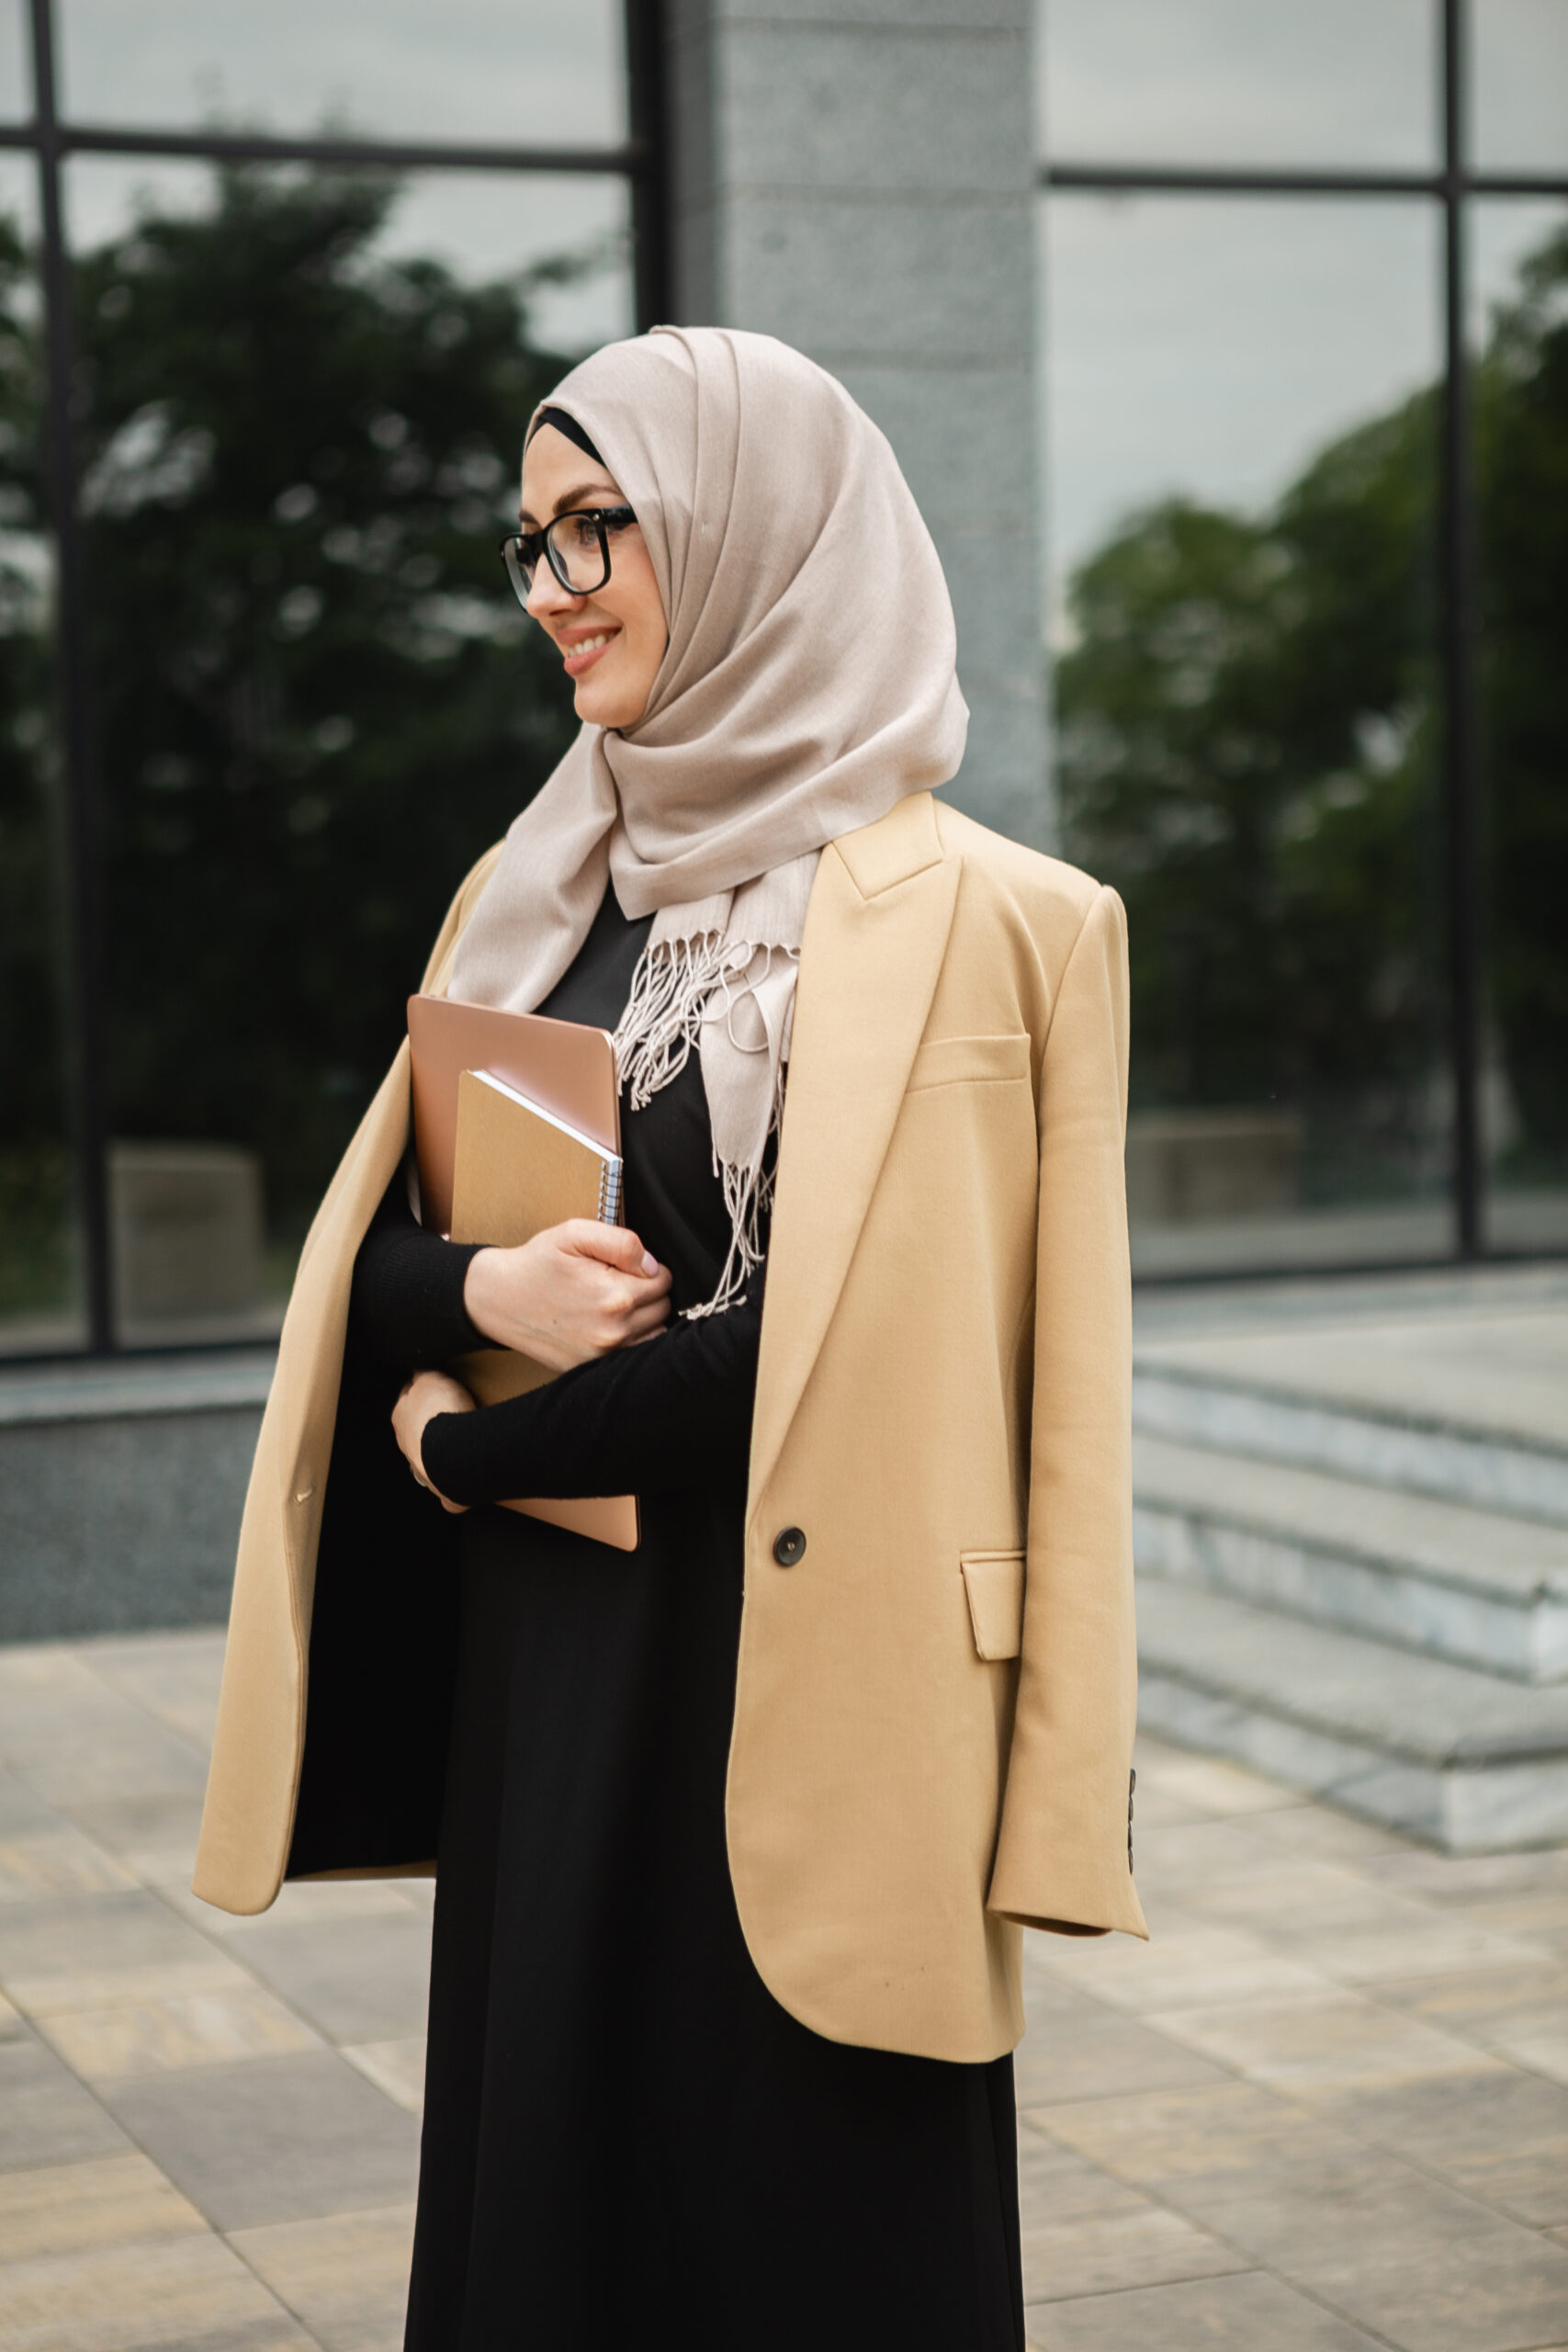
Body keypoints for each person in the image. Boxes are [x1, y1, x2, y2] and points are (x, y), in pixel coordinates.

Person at [194, 326, 1147, 2350]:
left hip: (845, 1681)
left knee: (820, 2232)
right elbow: (363, 1262)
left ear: (751, 525)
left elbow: (958, 1375)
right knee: (561, 2217)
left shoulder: (1007, 924)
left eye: (595, 525)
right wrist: (481, 1298)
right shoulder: (542, 891)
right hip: (560, 1668)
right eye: (526, 542)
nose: (552, 588)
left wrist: (454, 1446)